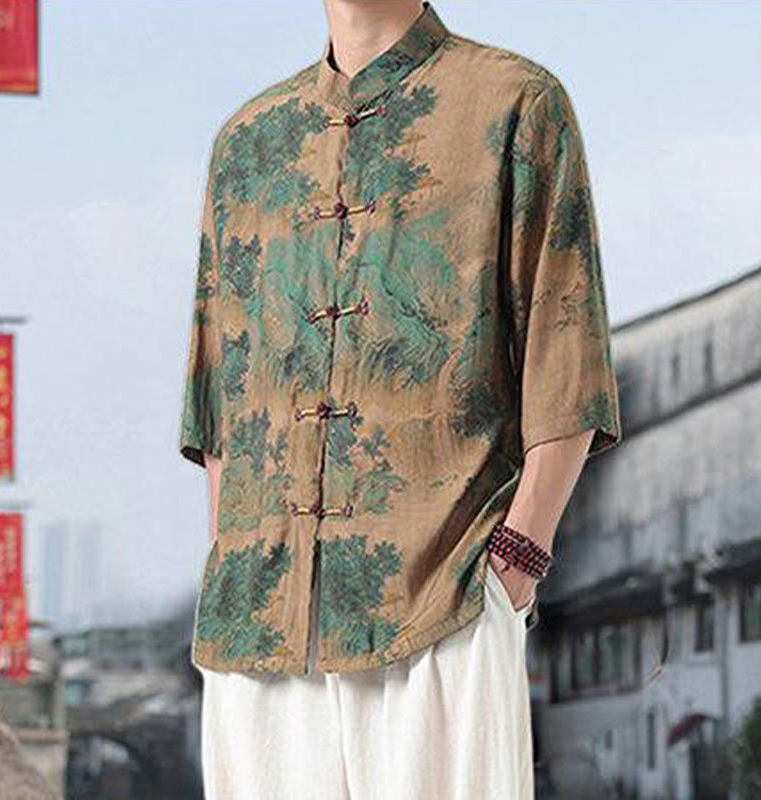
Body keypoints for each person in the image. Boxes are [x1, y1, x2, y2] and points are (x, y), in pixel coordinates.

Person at [177, 1, 623, 798]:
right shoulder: (248, 143)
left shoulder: (516, 103)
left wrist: (515, 561)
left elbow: (568, 354)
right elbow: (219, 390)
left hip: (441, 598)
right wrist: (231, 553)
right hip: (259, 628)